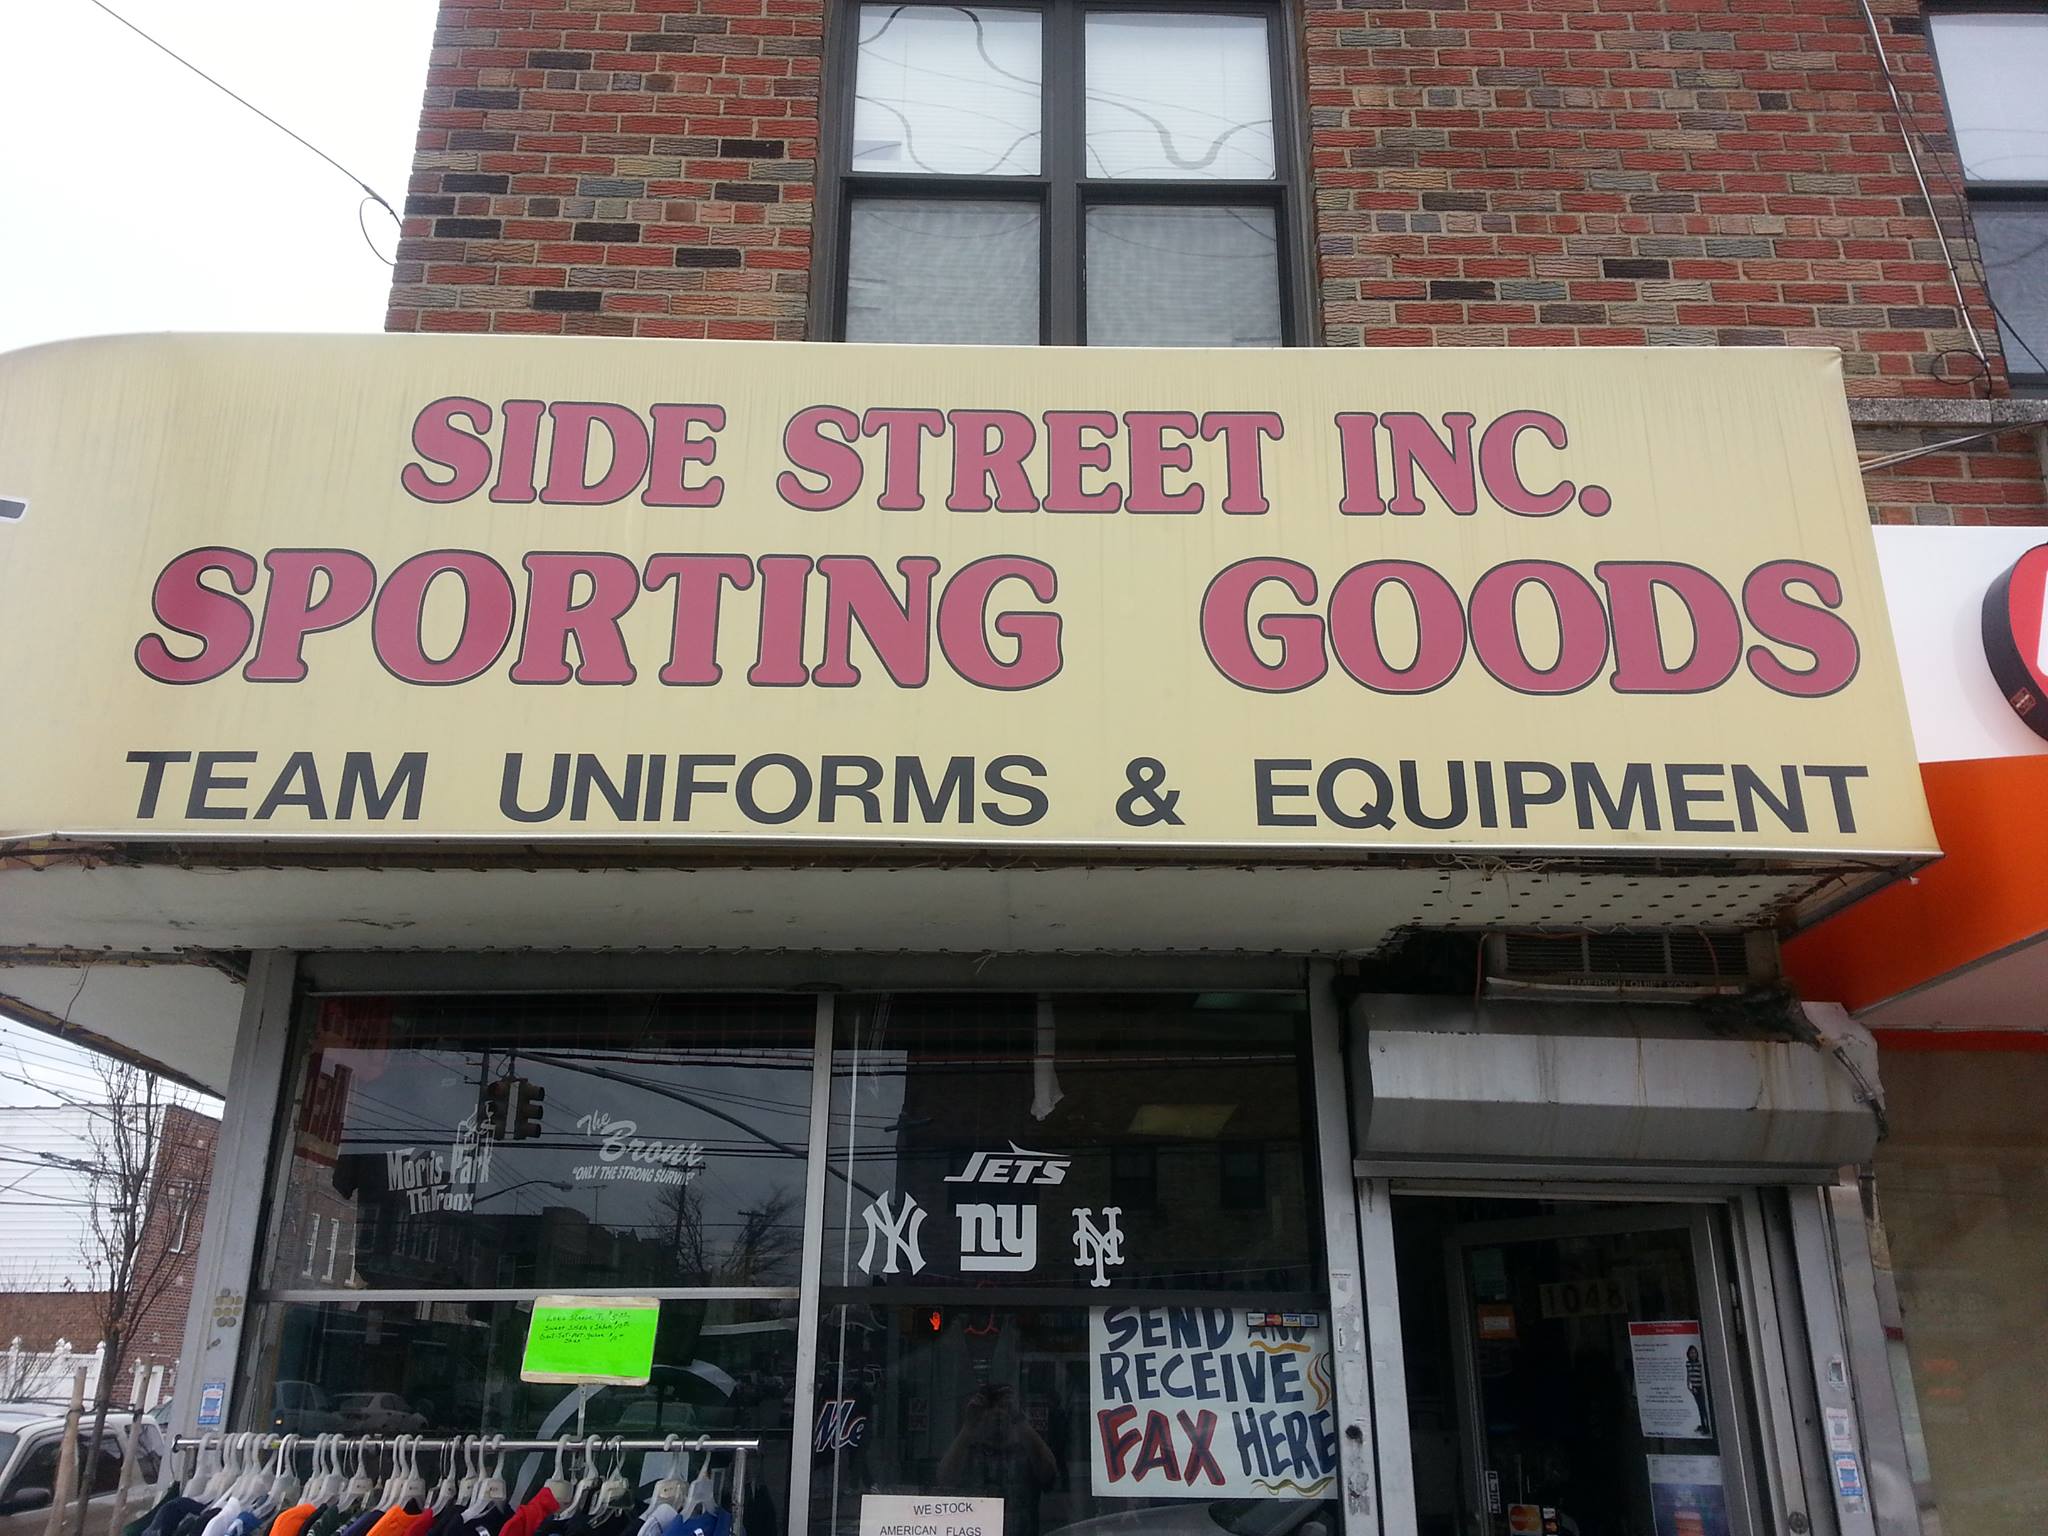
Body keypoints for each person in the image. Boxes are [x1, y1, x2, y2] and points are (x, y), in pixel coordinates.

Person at [936, 1383, 1057, 1536]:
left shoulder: (1027, 1452)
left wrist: (1020, 1420)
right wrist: (968, 1427)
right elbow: (944, 1481)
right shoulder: (968, 1452)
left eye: (1004, 1407)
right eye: (990, 1407)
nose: (998, 1413)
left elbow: (1049, 1475)